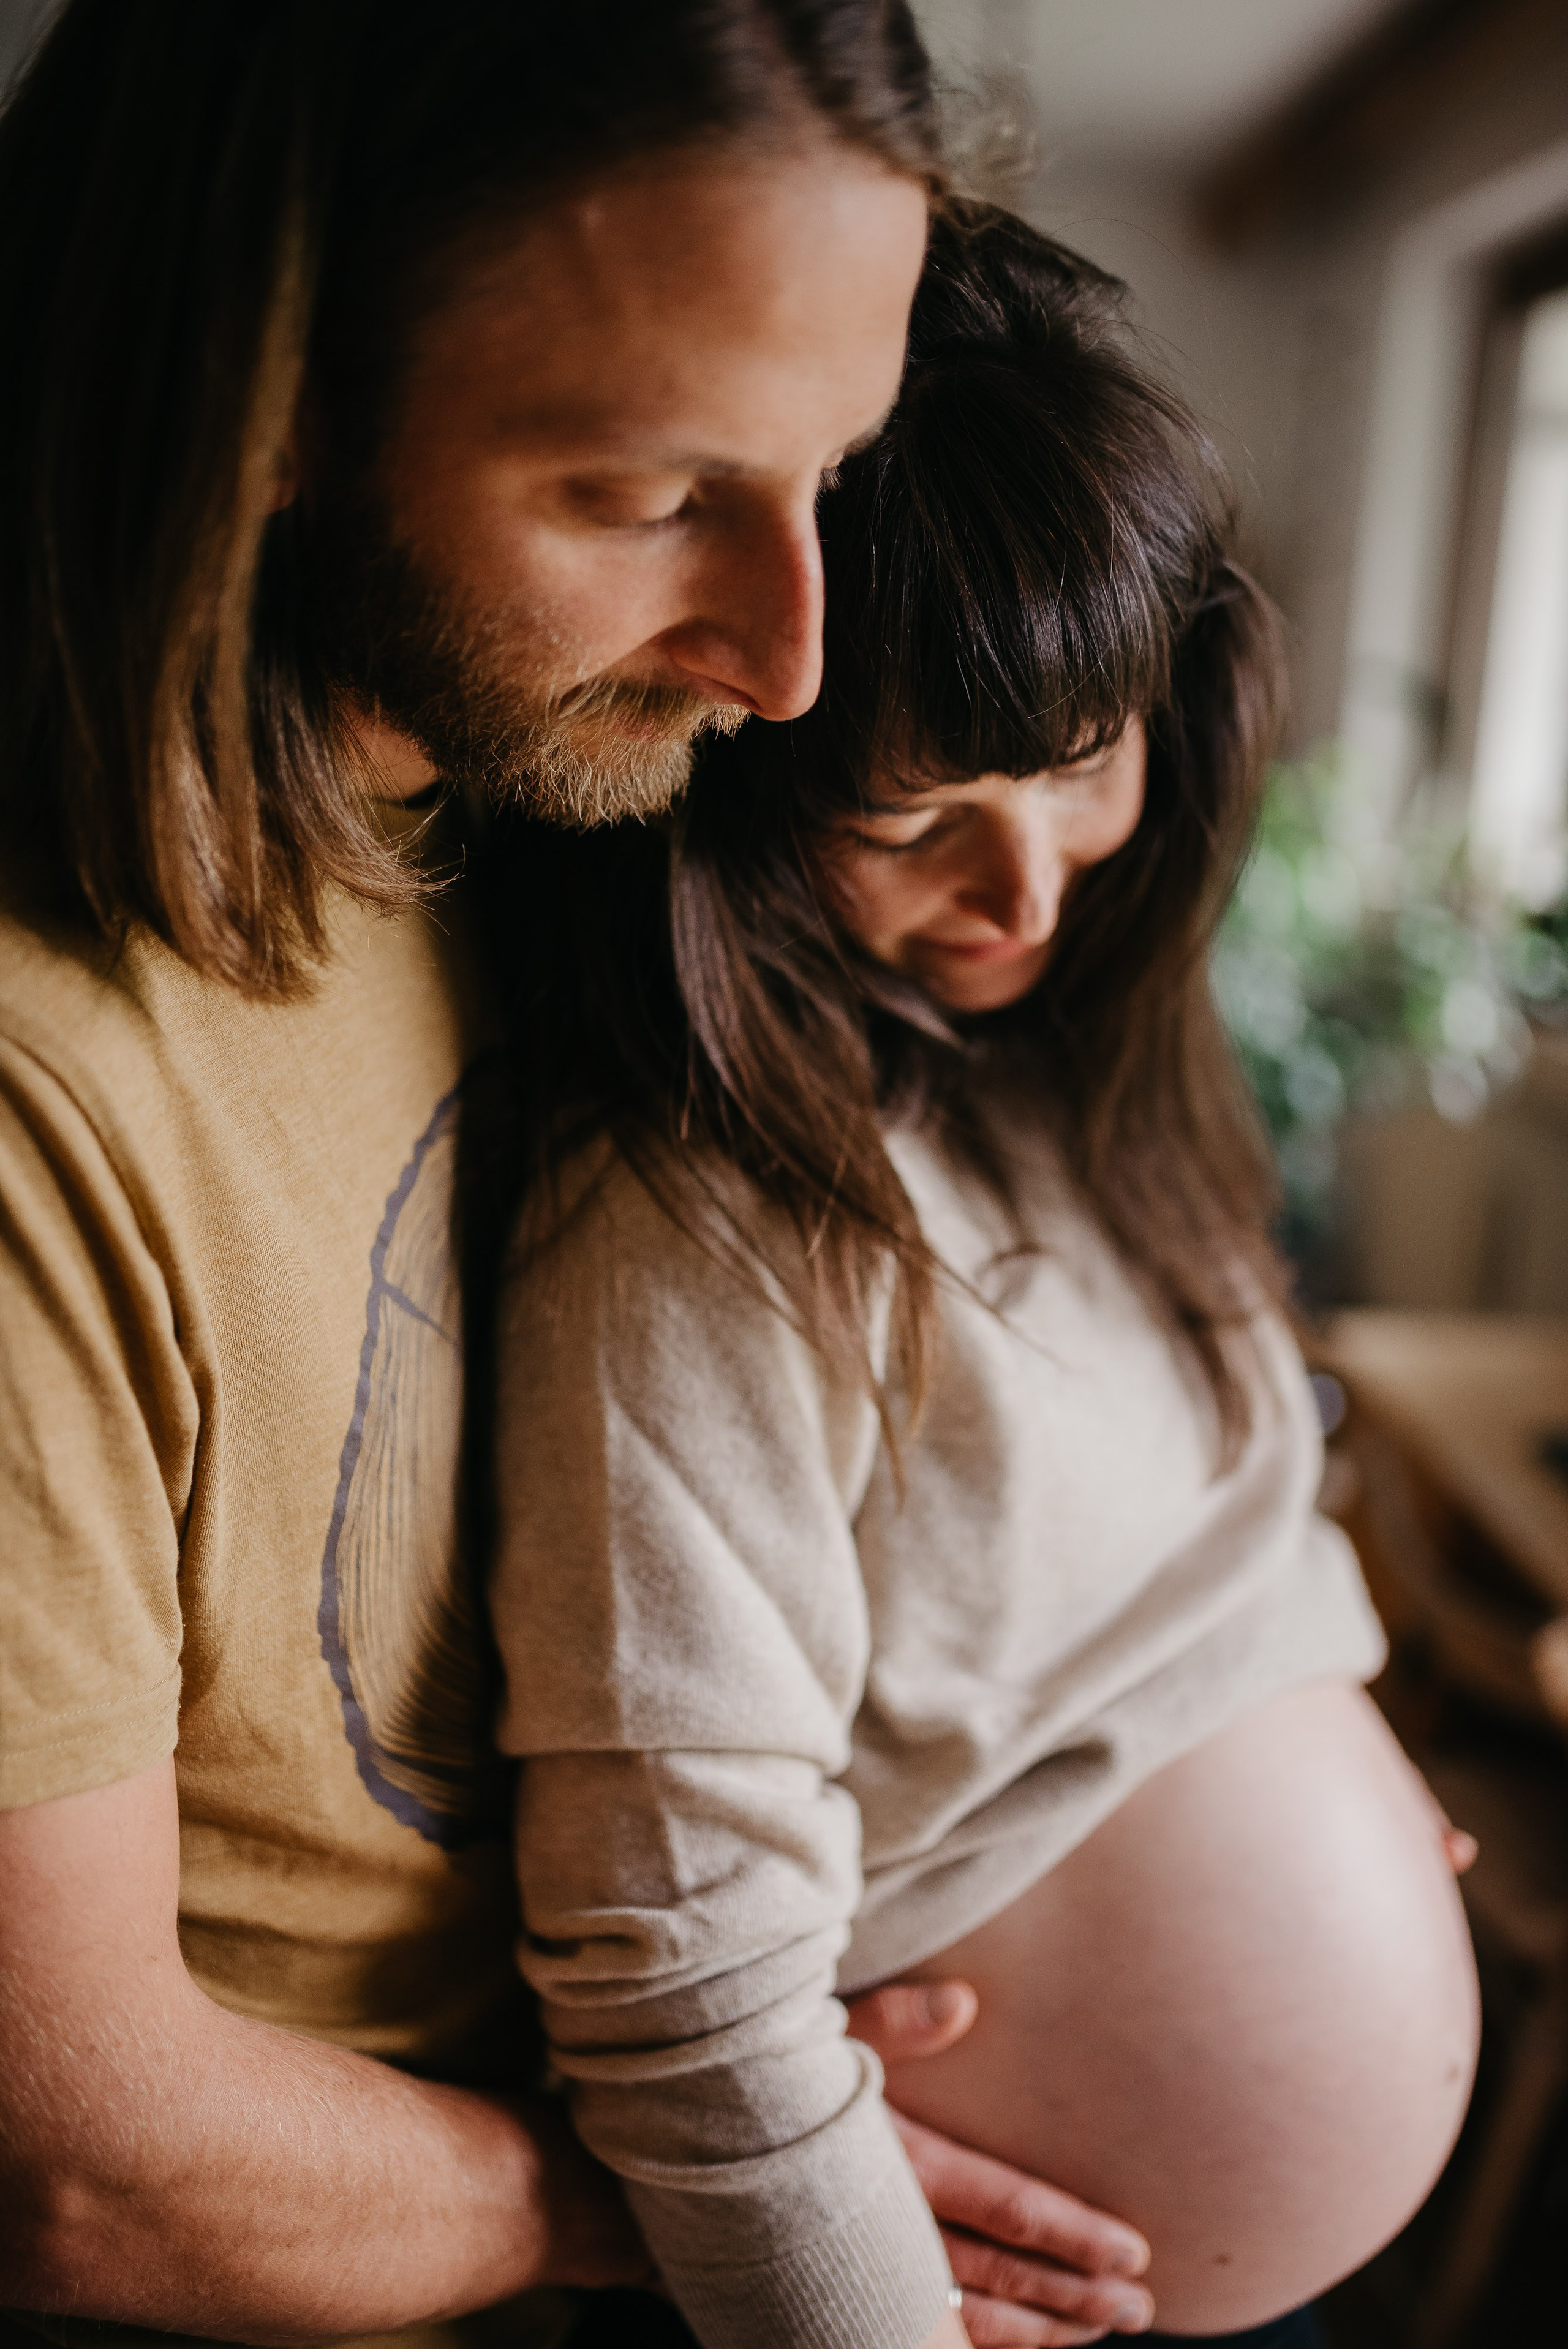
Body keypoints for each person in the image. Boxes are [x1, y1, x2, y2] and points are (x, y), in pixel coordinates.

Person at [0, 10, 1155, 2346]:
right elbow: (76, 2168)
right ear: (275, 401)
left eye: (828, 470)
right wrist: (709, 2190)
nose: (790, 654)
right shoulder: (45, 1081)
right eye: (646, 494)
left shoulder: (551, 794)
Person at [488, 206, 1482, 2349]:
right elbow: (682, 1945)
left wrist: (1330, 1745)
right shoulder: (696, 1226)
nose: (1023, 887)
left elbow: (1233, 1501)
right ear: (729, 793)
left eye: (1087, 760)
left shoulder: (1063, 1083)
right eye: (918, 814)